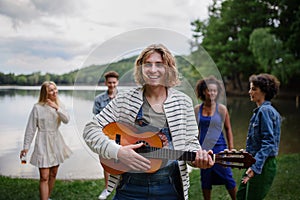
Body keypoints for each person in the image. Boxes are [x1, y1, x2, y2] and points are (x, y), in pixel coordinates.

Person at [83, 43, 214, 200]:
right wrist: (117, 151)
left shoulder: (183, 102)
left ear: (169, 69)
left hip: (170, 188)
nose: (153, 70)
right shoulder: (124, 99)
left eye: (159, 64)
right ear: (140, 69)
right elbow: (90, 129)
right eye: (148, 64)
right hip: (129, 187)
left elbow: (191, 144)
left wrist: (199, 160)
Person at [20, 81, 72, 200]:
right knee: (44, 176)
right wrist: (26, 147)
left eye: (55, 89)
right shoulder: (37, 107)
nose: (55, 92)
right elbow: (30, 128)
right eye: (51, 90)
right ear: (45, 93)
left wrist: (57, 108)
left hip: (56, 141)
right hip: (42, 142)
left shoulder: (59, 104)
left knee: (53, 173)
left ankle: (47, 197)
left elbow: (66, 120)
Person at [236, 73, 281, 200]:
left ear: (264, 91)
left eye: (254, 89)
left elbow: (269, 142)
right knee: (241, 196)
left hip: (263, 165)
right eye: (250, 88)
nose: (250, 92)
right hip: (255, 162)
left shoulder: (265, 111)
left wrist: (255, 168)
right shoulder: (259, 111)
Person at [194, 75, 237, 200]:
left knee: (228, 177)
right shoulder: (197, 109)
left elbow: (228, 129)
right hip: (204, 149)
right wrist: (195, 147)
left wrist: (231, 148)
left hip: (220, 149)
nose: (212, 93)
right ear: (204, 91)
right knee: (205, 180)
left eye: (214, 90)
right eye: (209, 90)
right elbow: (195, 131)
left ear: (217, 93)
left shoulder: (222, 109)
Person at [93, 70, 119, 200]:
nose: (112, 85)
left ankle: (121, 188)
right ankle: (107, 189)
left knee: (122, 162)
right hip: (105, 135)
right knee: (106, 162)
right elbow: (96, 119)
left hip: (122, 135)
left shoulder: (124, 98)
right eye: (109, 82)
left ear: (117, 82)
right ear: (105, 83)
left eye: (114, 82)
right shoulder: (99, 100)